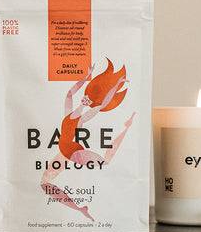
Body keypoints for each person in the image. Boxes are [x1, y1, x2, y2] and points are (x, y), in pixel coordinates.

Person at [40, 58, 136, 221]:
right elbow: (70, 92)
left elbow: (104, 103)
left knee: (103, 162)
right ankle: (80, 209)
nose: (85, 101)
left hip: (73, 151)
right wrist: (87, 76)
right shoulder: (68, 112)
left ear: (90, 103)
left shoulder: (82, 119)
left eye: (89, 101)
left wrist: (115, 84)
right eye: (85, 98)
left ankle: (126, 128)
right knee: (44, 183)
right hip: (64, 150)